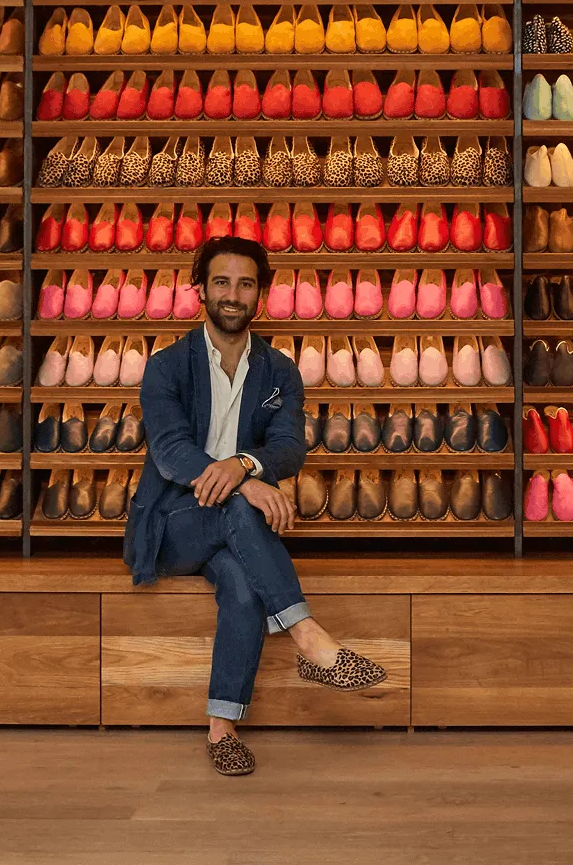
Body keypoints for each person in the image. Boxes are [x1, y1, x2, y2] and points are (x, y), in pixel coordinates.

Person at [124, 235, 387, 776]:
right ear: (200, 289)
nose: (232, 294)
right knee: (239, 508)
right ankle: (309, 637)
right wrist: (246, 480)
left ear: (261, 293)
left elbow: (289, 447)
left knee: (243, 586)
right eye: (221, 282)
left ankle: (221, 729)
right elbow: (171, 450)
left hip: (234, 530)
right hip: (173, 526)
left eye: (245, 284)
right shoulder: (167, 365)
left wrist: (243, 466)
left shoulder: (280, 370)